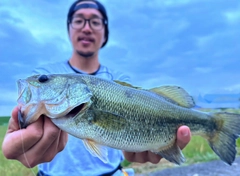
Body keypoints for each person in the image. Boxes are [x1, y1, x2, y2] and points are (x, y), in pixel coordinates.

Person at [2, 0, 191, 175]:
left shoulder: (118, 81)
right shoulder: (46, 71)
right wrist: (22, 132)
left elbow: (123, 135)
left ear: (105, 33)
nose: (86, 28)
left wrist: (148, 149)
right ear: (69, 29)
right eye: (79, 20)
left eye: (95, 22)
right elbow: (25, 116)